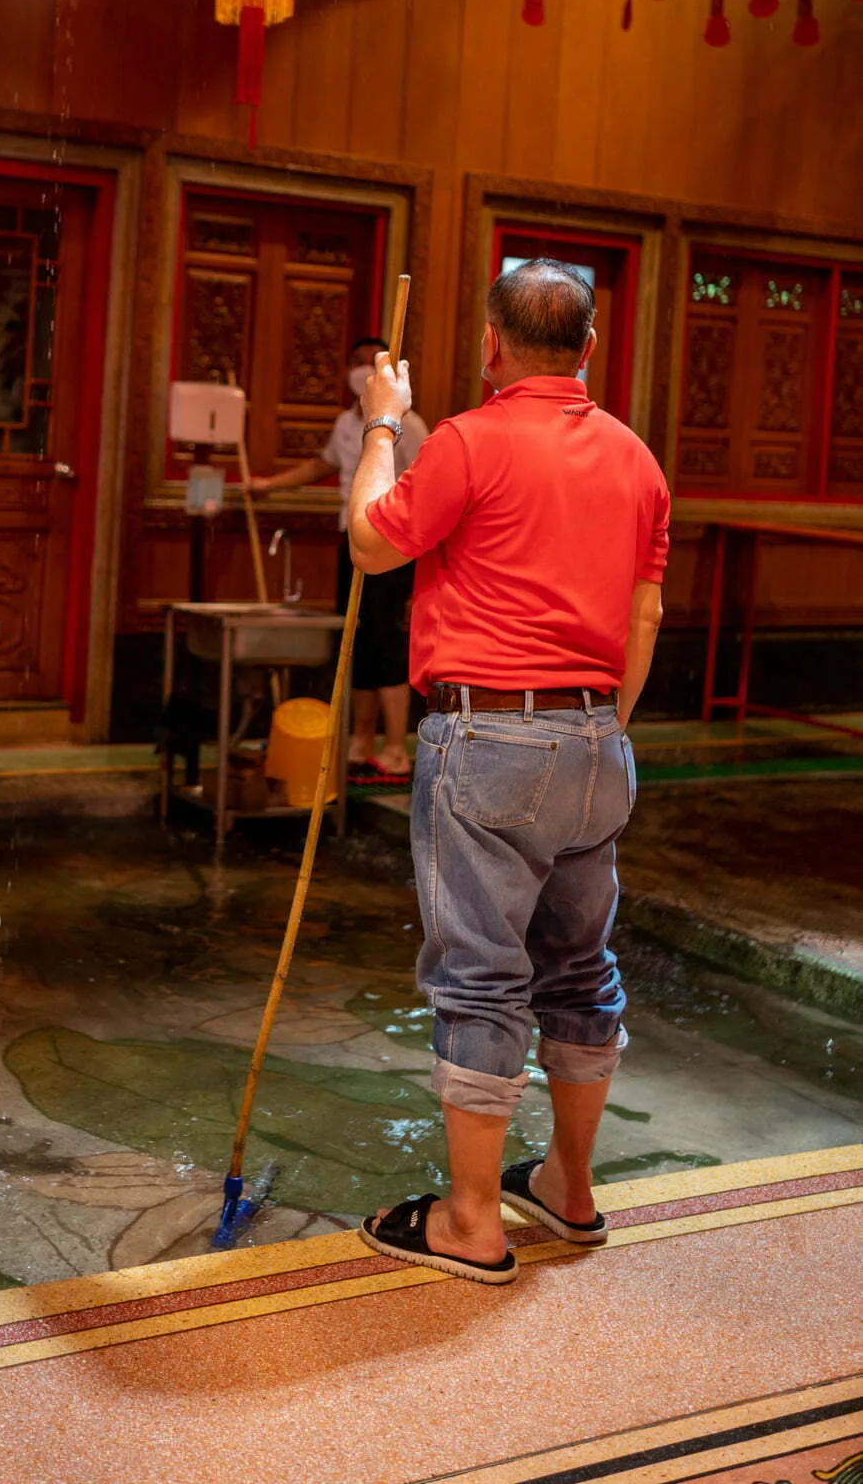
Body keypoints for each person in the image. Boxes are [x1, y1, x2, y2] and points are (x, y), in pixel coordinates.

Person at [345, 259, 668, 1287]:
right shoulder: (634, 457)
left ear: (489, 344)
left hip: (487, 739)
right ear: (587, 347)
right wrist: (598, 729)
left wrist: (383, 421)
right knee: (580, 968)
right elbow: (644, 614)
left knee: (480, 979)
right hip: (595, 738)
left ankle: (471, 1219)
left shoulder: (467, 440)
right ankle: (567, 1193)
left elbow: (368, 541)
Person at [253, 335, 428, 783]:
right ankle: (361, 741)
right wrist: (268, 485)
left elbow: (426, 487)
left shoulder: (410, 423)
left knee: (388, 647)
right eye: (353, 362)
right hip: (352, 542)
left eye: (369, 363)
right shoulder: (346, 424)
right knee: (358, 642)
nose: (360, 370)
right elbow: (322, 465)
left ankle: (394, 750)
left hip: (394, 546)